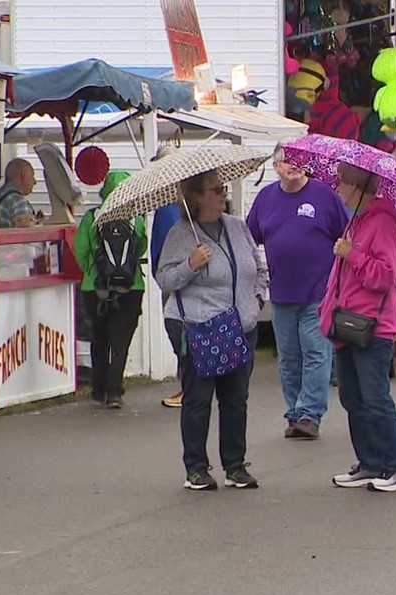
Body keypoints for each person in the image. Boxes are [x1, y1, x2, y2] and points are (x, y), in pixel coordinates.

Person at [157, 168, 268, 492]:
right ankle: (196, 468)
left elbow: (258, 265)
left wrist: (258, 297)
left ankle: (235, 465)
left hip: (240, 324)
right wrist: (190, 265)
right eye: (215, 190)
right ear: (195, 197)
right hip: (198, 325)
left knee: (236, 398)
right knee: (199, 398)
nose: (223, 194)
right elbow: (164, 280)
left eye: (222, 188)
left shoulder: (236, 227)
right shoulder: (181, 234)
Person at [247, 145, 348, 440]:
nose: (293, 165)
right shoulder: (266, 198)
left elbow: (346, 234)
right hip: (281, 293)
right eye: (286, 161)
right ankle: (294, 412)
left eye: (298, 161)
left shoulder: (324, 195)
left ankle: (310, 414)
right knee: (289, 358)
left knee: (316, 353)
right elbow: (249, 238)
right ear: (276, 167)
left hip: (319, 291)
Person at [322, 163, 396, 492]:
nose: (338, 188)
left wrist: (352, 255)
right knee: (352, 396)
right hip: (346, 320)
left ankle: (394, 467)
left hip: (372, 324)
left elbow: (386, 275)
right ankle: (370, 462)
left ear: (357, 186)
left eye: (342, 182)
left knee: (374, 398)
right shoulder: (355, 220)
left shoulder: (383, 222)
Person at [73, 171, 146, 409]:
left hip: (95, 287)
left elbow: (80, 249)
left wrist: (93, 272)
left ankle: (98, 388)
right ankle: (115, 391)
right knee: (121, 339)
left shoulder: (92, 217)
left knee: (99, 335)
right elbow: (141, 249)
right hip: (130, 286)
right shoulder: (136, 219)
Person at [148, 146, 186, 408]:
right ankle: (189, 386)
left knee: (180, 332)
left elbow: (165, 245)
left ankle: (189, 387)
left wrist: (162, 275)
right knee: (181, 332)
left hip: (175, 278)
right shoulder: (176, 203)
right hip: (176, 275)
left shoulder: (170, 206)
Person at [0, 158, 39, 228]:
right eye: (32, 176)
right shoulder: (19, 202)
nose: (35, 182)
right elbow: (28, 236)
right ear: (24, 175)